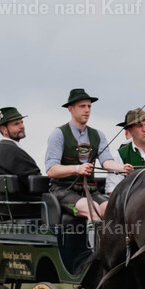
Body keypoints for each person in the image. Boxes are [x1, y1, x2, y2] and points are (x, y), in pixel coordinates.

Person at [45, 89, 131, 219]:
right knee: (93, 209)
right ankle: (93, 233)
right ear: (70, 109)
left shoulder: (98, 135)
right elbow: (51, 170)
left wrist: (122, 168)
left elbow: (107, 162)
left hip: (91, 191)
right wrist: (77, 169)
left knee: (112, 209)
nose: (87, 110)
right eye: (82, 106)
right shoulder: (59, 134)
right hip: (63, 190)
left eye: (89, 106)